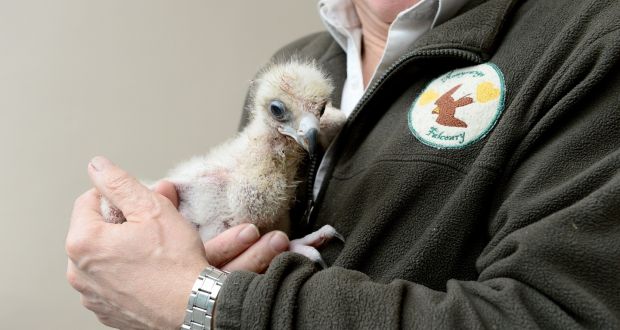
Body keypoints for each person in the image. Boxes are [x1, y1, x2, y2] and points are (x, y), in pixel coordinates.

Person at [66, 0, 620, 328]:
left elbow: (556, 314)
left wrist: (203, 302)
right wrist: (157, 278)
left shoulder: (590, 42)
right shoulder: (299, 65)